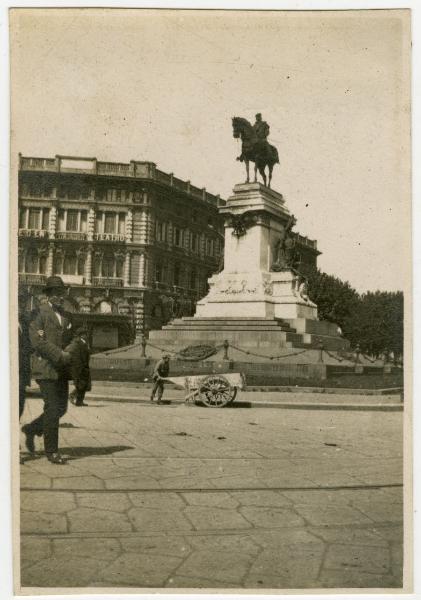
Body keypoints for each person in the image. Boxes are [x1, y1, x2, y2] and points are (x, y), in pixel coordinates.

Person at [21, 276, 72, 465]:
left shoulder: (66, 316)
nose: (61, 296)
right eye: (57, 293)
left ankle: (32, 429)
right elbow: (38, 342)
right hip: (45, 367)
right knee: (52, 408)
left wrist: (70, 351)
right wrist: (60, 354)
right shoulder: (38, 314)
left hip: (62, 369)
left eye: (62, 292)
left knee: (62, 408)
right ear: (49, 295)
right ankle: (52, 451)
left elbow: (73, 337)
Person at [66, 327, 91, 407]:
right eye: (85, 334)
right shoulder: (78, 343)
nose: (87, 336)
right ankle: (73, 396)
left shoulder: (83, 343)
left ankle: (79, 401)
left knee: (83, 384)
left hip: (83, 367)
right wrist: (80, 367)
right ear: (81, 335)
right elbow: (77, 356)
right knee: (81, 384)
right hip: (80, 367)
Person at [18, 288, 32, 420]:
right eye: (18, 301)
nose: (22, 305)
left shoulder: (25, 324)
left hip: (21, 375)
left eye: (23, 302)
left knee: (19, 408)